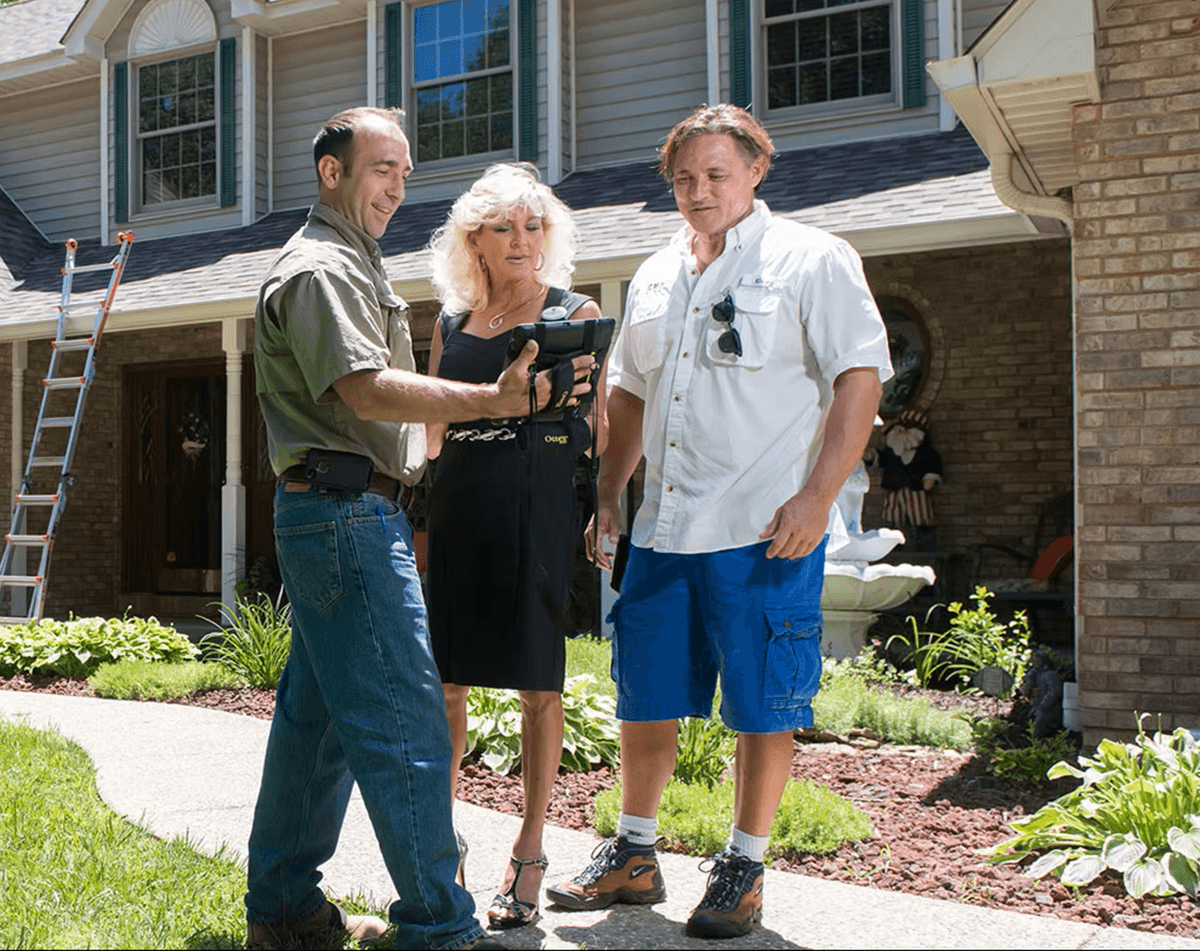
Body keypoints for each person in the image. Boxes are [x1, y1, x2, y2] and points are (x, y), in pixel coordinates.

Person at [545, 104, 893, 940]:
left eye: (715, 174)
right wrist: (608, 495)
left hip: (764, 525)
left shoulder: (814, 258)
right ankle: (634, 851)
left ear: (756, 170)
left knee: (762, 701)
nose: (698, 192)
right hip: (664, 527)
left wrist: (817, 497)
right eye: (683, 179)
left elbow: (860, 379)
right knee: (644, 693)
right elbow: (626, 393)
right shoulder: (658, 271)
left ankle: (744, 864)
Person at [247, 106, 590, 951]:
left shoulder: (353, 262)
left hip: (342, 508)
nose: (397, 187)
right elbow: (366, 391)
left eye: (404, 171)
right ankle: (440, 924)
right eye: (379, 169)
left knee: (314, 726)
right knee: (407, 724)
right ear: (332, 173)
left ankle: (285, 910)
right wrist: (494, 401)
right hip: (344, 512)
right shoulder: (323, 268)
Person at [424, 163, 606, 930]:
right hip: (459, 502)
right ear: (476, 240)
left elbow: (593, 431)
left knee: (539, 682)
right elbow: (433, 428)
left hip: (537, 507)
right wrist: (420, 521)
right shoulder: (449, 324)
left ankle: (531, 848)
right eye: (504, 227)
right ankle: (443, 841)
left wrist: (602, 511)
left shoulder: (574, 312)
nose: (523, 239)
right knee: (447, 683)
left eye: (533, 225)